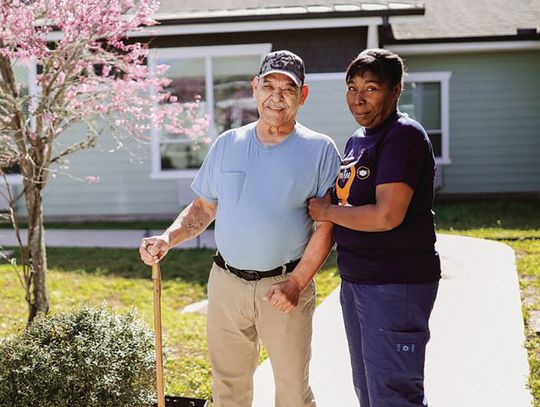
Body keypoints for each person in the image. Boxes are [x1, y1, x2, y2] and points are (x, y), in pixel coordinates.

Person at [139, 50, 340, 407]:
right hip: (226, 284)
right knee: (227, 390)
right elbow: (203, 207)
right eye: (269, 85)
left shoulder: (320, 150)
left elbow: (327, 226)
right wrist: (168, 238)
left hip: (285, 286)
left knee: (293, 391)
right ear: (254, 89)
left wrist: (296, 284)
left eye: (288, 88)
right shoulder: (228, 144)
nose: (276, 96)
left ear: (303, 96)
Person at [308, 48, 441, 407]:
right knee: (370, 390)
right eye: (352, 88)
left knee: (394, 395)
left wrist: (326, 211)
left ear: (396, 90)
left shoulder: (402, 135)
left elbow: (386, 216)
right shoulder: (357, 139)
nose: (358, 98)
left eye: (371, 88)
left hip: (396, 284)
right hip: (359, 281)